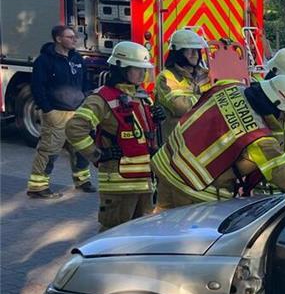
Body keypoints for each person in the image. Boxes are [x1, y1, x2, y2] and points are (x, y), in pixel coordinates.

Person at [152, 75, 285, 209]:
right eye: (284, 113)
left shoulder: (228, 85)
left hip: (167, 165)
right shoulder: (260, 139)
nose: (283, 118)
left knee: (160, 232)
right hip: (194, 190)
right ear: (274, 106)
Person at [65, 42, 160, 228]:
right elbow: (74, 128)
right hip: (118, 185)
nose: (142, 74)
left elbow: (141, 135)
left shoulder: (141, 96)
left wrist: (156, 120)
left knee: (143, 235)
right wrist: (99, 155)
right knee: (113, 236)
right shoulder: (101, 98)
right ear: (121, 68)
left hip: (144, 183)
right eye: (137, 69)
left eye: (144, 70)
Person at [26, 25, 93, 198]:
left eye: (74, 37)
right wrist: (48, 110)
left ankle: (82, 180)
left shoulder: (77, 58)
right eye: (70, 37)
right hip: (56, 113)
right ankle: (38, 187)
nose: (74, 40)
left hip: (77, 111)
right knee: (49, 151)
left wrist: (84, 99)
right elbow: (37, 87)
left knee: (80, 149)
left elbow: (85, 81)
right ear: (58, 39)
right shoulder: (44, 61)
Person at [154, 28, 212, 142]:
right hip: (176, 142)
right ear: (178, 53)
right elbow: (181, 108)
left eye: (196, 50)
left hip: (201, 139)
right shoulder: (167, 77)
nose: (195, 54)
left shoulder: (207, 74)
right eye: (189, 50)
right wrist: (210, 98)